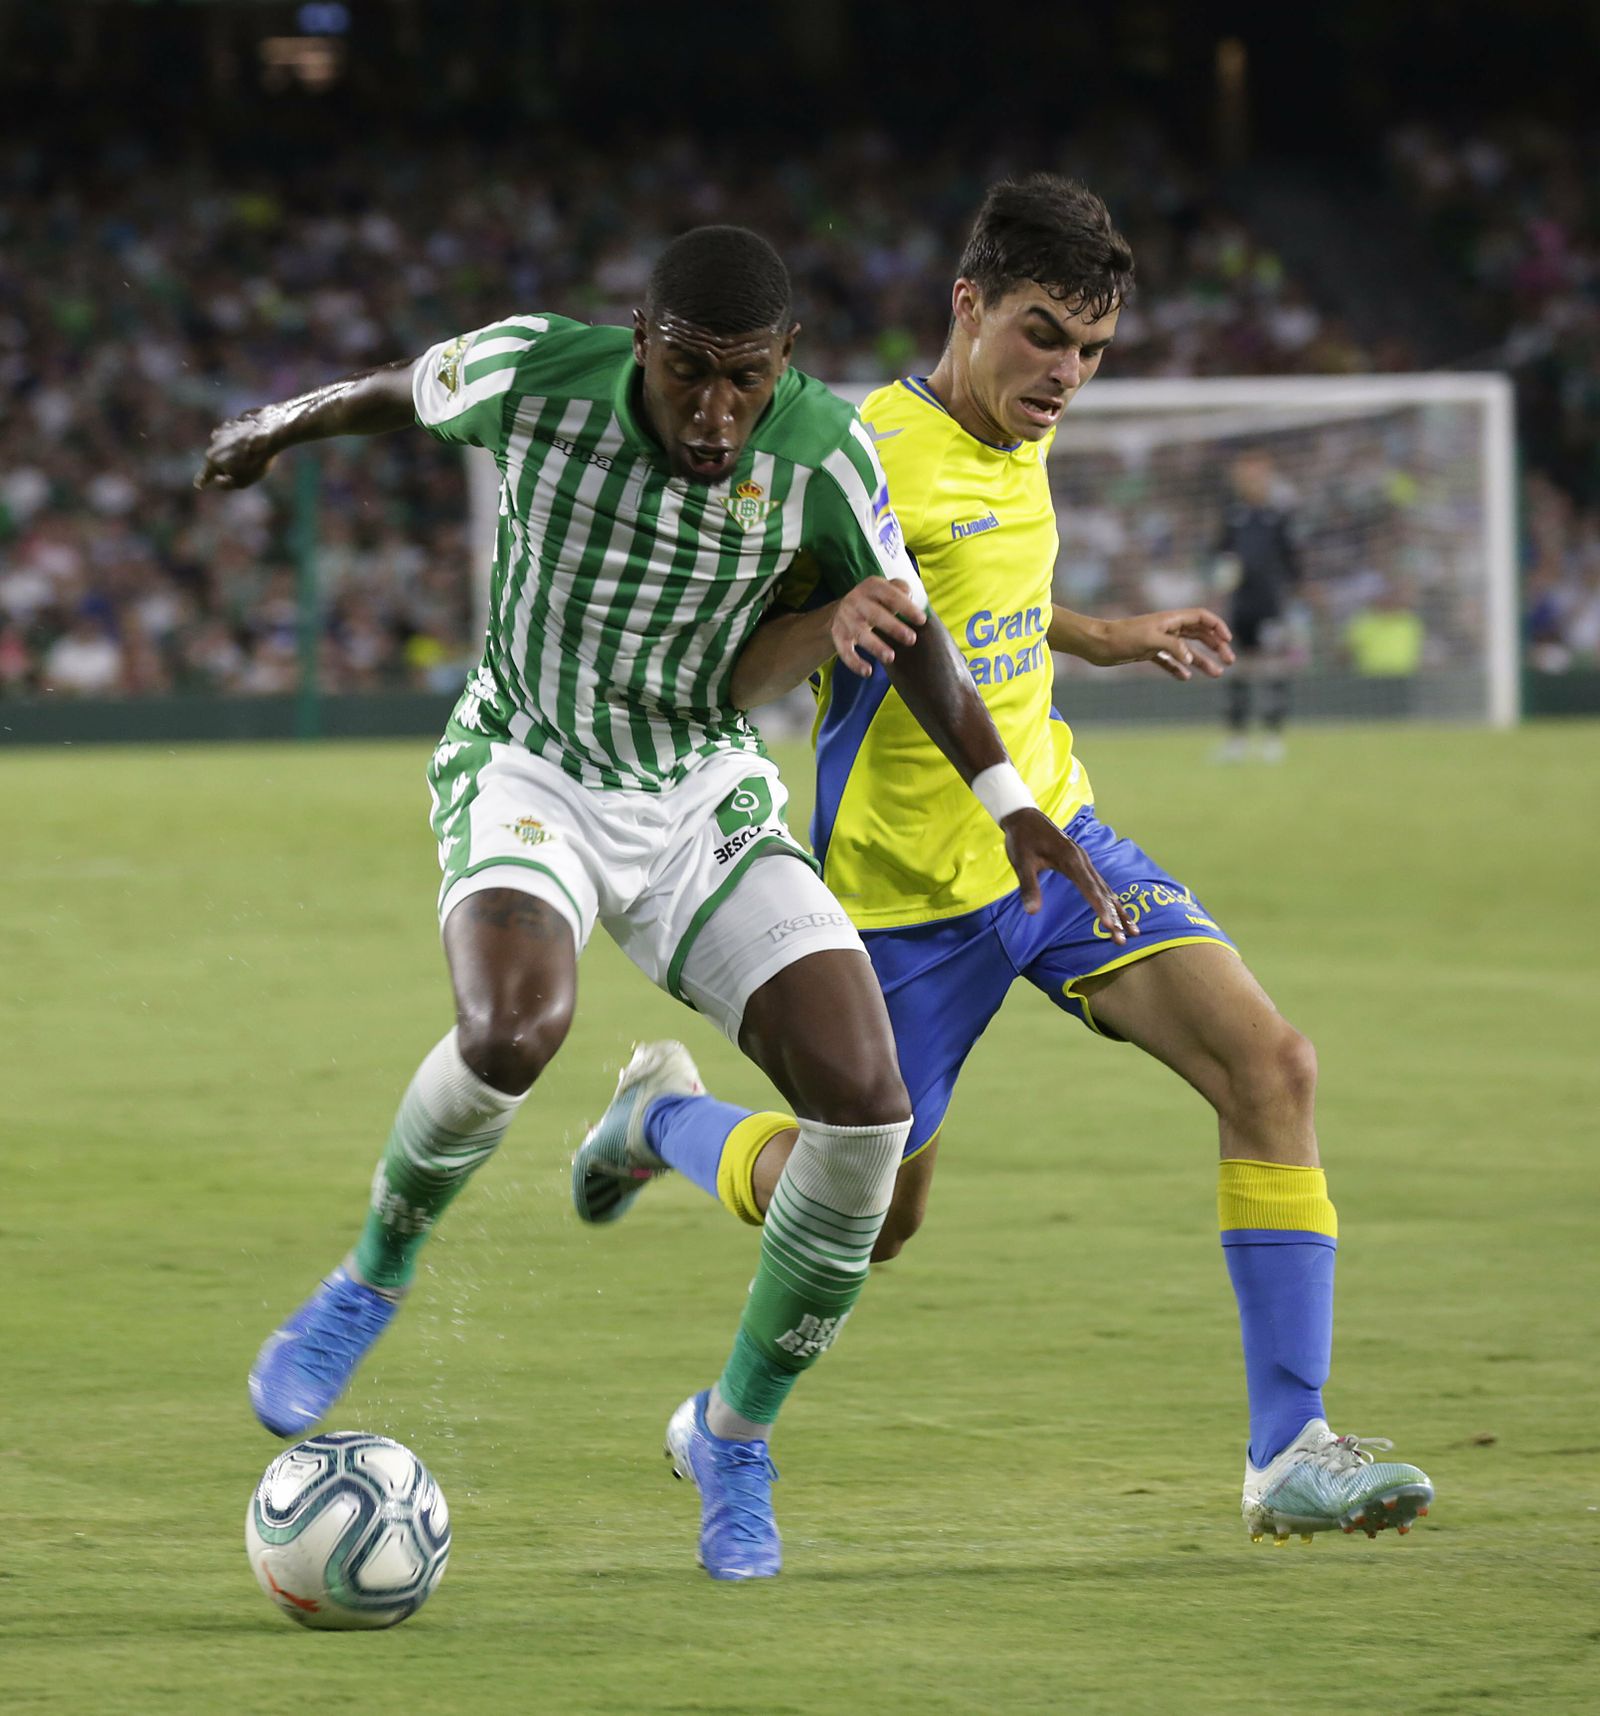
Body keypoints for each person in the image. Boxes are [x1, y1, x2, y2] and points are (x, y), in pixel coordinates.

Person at [195, 224, 1138, 1581]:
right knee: (513, 1031)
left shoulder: (823, 452)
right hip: (531, 764)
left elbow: (912, 625)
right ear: (641, 340)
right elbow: (399, 389)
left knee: (868, 1115)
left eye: (744, 378)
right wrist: (272, 429)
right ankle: (371, 1277)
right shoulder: (535, 374)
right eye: (688, 370)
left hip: (699, 790)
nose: (714, 410)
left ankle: (731, 1438)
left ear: (784, 362)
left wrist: (1011, 804)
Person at [573, 180, 1434, 1546]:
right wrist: (826, 628)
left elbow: (988, 599)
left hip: (1059, 846)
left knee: (1272, 1066)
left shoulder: (1019, 433)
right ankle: (663, 1132)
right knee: (870, 1222)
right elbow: (735, 666)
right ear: (966, 305)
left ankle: (1290, 1450)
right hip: (901, 908)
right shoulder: (852, 459)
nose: (1066, 376)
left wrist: (1108, 636)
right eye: (1043, 337)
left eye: (1090, 351)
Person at [1212, 450, 1304, 763]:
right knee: (1237, 669)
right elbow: (1220, 557)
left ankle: (1273, 738)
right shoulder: (1232, 517)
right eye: (1245, 476)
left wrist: (1293, 597)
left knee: (1273, 667)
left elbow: (1293, 563)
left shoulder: (1278, 518)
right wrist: (1221, 580)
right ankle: (1236, 739)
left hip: (1269, 605)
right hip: (1241, 606)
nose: (1250, 482)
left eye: (1257, 476)